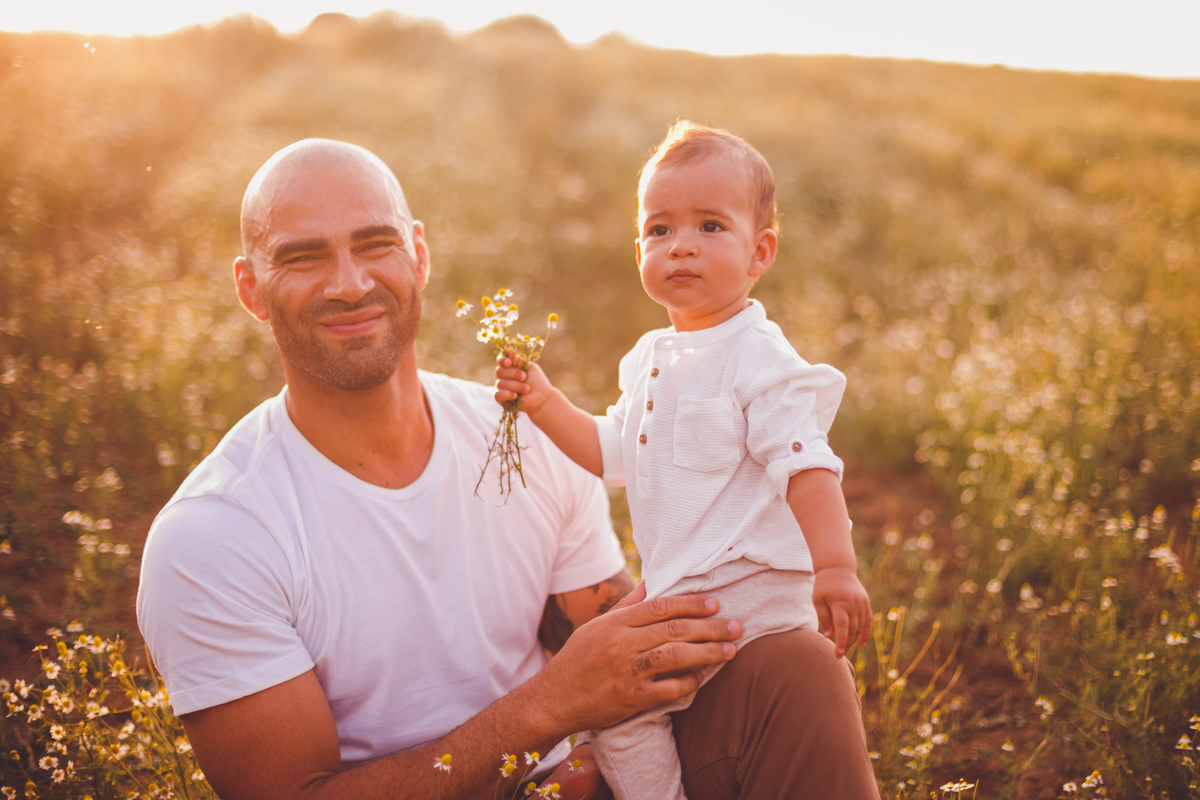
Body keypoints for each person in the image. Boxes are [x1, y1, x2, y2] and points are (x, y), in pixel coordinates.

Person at [136, 137, 876, 800]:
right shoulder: (214, 537)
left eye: (375, 244)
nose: (349, 283)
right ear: (248, 290)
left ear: (418, 255)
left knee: (800, 669)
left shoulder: (519, 436)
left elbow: (610, 631)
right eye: (303, 257)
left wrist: (729, 595)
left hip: (581, 779)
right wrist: (546, 713)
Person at [495, 122, 879, 800]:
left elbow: (806, 466)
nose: (681, 246)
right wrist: (545, 402)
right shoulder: (648, 360)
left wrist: (836, 568)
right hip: (690, 591)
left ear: (760, 253)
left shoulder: (758, 358)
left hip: (742, 591)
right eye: (659, 230)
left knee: (619, 714)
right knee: (613, 711)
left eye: (709, 226)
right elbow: (610, 452)